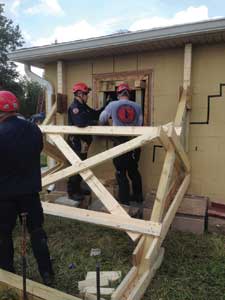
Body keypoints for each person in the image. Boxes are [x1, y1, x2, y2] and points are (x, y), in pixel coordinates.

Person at [0, 91, 54, 285]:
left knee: (4, 235)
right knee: (37, 231)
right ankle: (47, 273)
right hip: (30, 192)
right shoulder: (33, 129)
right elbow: (38, 150)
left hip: (4, 195)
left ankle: (8, 276)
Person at [99, 83, 144, 206]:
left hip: (119, 142)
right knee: (134, 171)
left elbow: (102, 119)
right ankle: (138, 196)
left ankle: (124, 200)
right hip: (134, 143)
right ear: (128, 94)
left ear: (118, 94)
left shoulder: (112, 105)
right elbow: (140, 124)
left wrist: (108, 129)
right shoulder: (138, 106)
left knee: (120, 172)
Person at [67, 82, 108, 201]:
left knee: (82, 165)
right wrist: (96, 123)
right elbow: (80, 123)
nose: (87, 96)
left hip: (83, 142)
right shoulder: (75, 107)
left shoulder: (83, 106)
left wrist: (106, 106)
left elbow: (94, 114)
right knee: (75, 166)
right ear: (80, 94)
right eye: (86, 94)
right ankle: (72, 191)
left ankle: (78, 188)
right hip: (76, 142)